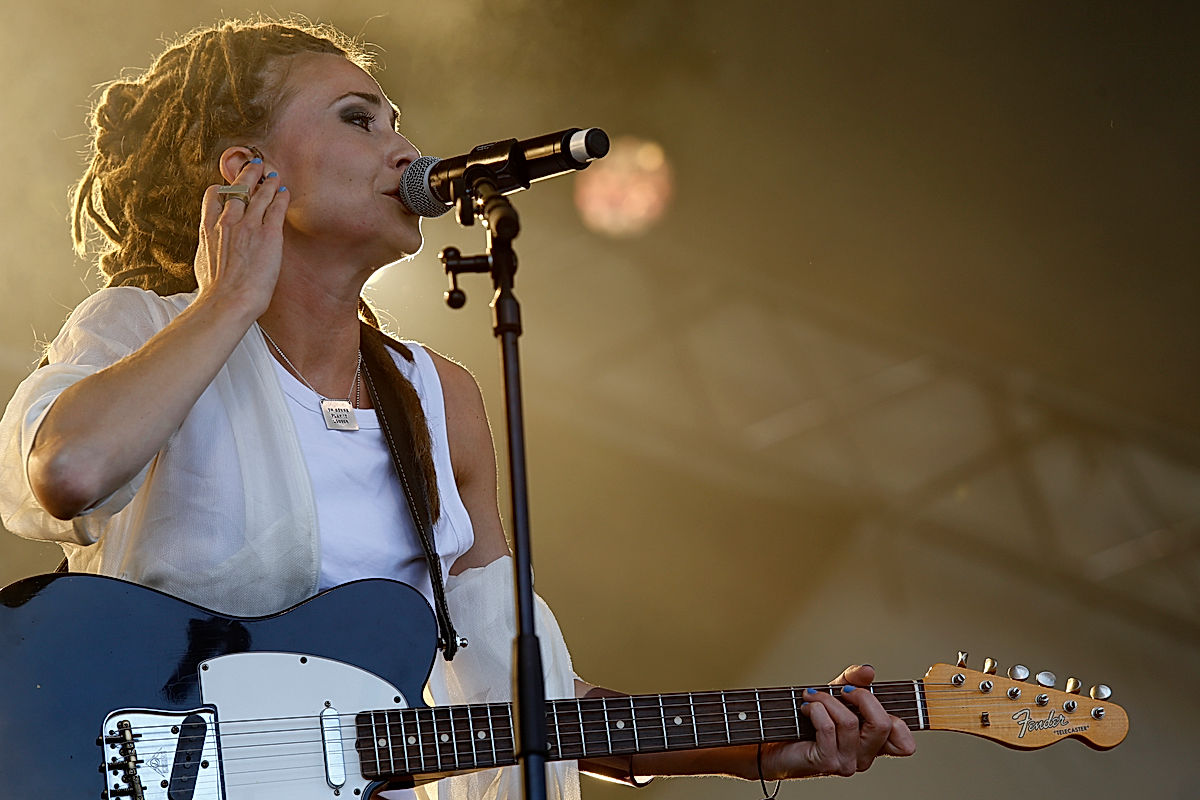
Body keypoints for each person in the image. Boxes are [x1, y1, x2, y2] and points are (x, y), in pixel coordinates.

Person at [0, 16, 914, 800]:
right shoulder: (144, 327)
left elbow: (523, 703)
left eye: (400, 121)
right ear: (250, 169)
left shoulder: (437, 401)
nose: (406, 151)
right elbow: (69, 474)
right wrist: (228, 301)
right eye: (359, 120)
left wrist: (765, 743)